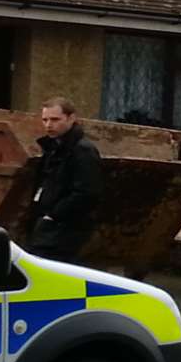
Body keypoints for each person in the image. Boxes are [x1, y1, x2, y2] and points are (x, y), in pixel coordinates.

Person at [29, 96, 102, 261]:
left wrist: (54, 214)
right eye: (45, 120)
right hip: (49, 226)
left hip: (65, 230)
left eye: (55, 119)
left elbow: (87, 191)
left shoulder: (82, 150)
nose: (48, 125)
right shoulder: (54, 147)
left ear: (71, 118)